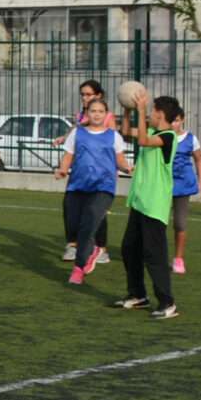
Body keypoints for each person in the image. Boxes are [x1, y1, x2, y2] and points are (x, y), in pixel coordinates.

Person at [110, 90, 181, 319]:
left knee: (154, 255)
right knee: (129, 248)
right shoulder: (151, 130)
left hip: (154, 204)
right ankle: (137, 295)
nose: (149, 114)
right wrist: (128, 110)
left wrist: (140, 111)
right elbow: (124, 132)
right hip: (140, 202)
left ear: (160, 115)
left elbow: (142, 140)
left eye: (152, 111)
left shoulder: (169, 136)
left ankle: (167, 303)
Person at [53, 98, 128, 285]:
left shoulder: (114, 136)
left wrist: (128, 168)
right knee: (73, 225)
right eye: (93, 111)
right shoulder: (77, 134)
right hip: (77, 185)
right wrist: (63, 169)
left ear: (106, 114)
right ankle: (92, 250)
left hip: (103, 187)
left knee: (90, 220)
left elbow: (120, 160)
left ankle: (79, 268)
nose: (96, 114)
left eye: (101, 111)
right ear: (87, 114)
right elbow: (68, 156)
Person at [56, 79, 109, 262]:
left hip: (100, 173)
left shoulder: (105, 117)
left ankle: (101, 248)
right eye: (83, 94)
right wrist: (63, 138)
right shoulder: (81, 116)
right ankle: (72, 245)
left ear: (98, 95)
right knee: (70, 207)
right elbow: (76, 134)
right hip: (80, 170)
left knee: (96, 211)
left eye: (89, 94)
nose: (85, 98)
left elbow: (106, 136)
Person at [170, 107, 201, 274]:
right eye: (170, 120)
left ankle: (178, 258)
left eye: (176, 120)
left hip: (183, 185)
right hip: (163, 184)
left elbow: (199, 159)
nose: (173, 124)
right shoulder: (161, 137)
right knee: (156, 223)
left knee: (180, 223)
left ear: (182, 120)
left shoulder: (191, 139)